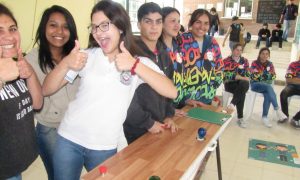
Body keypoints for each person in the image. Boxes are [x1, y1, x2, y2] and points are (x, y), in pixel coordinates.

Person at [42, 1, 177, 179]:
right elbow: (46, 89)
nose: (98, 32)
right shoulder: (87, 56)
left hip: (104, 147)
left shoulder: (138, 61)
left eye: (104, 25)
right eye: (95, 27)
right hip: (69, 139)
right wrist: (66, 63)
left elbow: (171, 91)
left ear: (120, 26)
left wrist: (135, 66)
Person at [25, 5, 79, 180]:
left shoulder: (76, 55)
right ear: (44, 27)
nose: (60, 31)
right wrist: (66, 65)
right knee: (58, 177)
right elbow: (42, 91)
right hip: (51, 129)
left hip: (77, 127)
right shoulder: (32, 59)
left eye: (65, 26)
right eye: (53, 25)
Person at [123, 3, 178, 144]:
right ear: (139, 25)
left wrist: (168, 115)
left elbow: (170, 87)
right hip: (136, 129)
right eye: (148, 21)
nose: (154, 27)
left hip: (160, 125)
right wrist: (148, 123)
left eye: (158, 22)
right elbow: (124, 97)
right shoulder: (129, 53)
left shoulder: (164, 53)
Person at [0, 3, 43, 180]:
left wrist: (29, 71)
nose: (9, 36)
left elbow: (37, 102)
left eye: (12, 28)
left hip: (13, 167)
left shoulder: (15, 64)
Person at [174, 8, 224, 108]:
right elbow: (175, 73)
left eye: (206, 23)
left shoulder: (212, 42)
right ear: (191, 23)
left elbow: (220, 68)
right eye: (198, 22)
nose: (202, 26)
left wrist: (212, 88)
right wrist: (184, 98)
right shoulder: (180, 41)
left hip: (206, 98)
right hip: (185, 101)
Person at [250, 47, 287, 128]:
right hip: (255, 85)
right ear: (259, 54)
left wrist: (261, 75)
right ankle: (277, 110)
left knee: (268, 93)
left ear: (269, 55)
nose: (265, 55)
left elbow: (273, 76)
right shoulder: (254, 63)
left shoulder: (270, 64)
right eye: (263, 53)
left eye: (267, 54)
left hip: (266, 87)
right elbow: (254, 76)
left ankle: (264, 117)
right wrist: (266, 76)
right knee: (269, 87)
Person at [223, 43, 250, 128]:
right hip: (229, 84)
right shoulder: (226, 60)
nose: (238, 52)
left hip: (241, 84)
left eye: (240, 50)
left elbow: (247, 73)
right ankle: (240, 118)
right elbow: (225, 75)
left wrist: (239, 77)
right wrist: (237, 76)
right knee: (242, 90)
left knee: (243, 85)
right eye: (237, 49)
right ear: (233, 50)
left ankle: (232, 104)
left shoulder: (245, 61)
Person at [279, 58, 300, 128]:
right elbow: (288, 79)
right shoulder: (293, 65)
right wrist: (294, 80)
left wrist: (295, 79)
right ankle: (285, 115)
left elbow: (292, 79)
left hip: (294, 84)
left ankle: (296, 118)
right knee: (283, 93)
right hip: (292, 86)